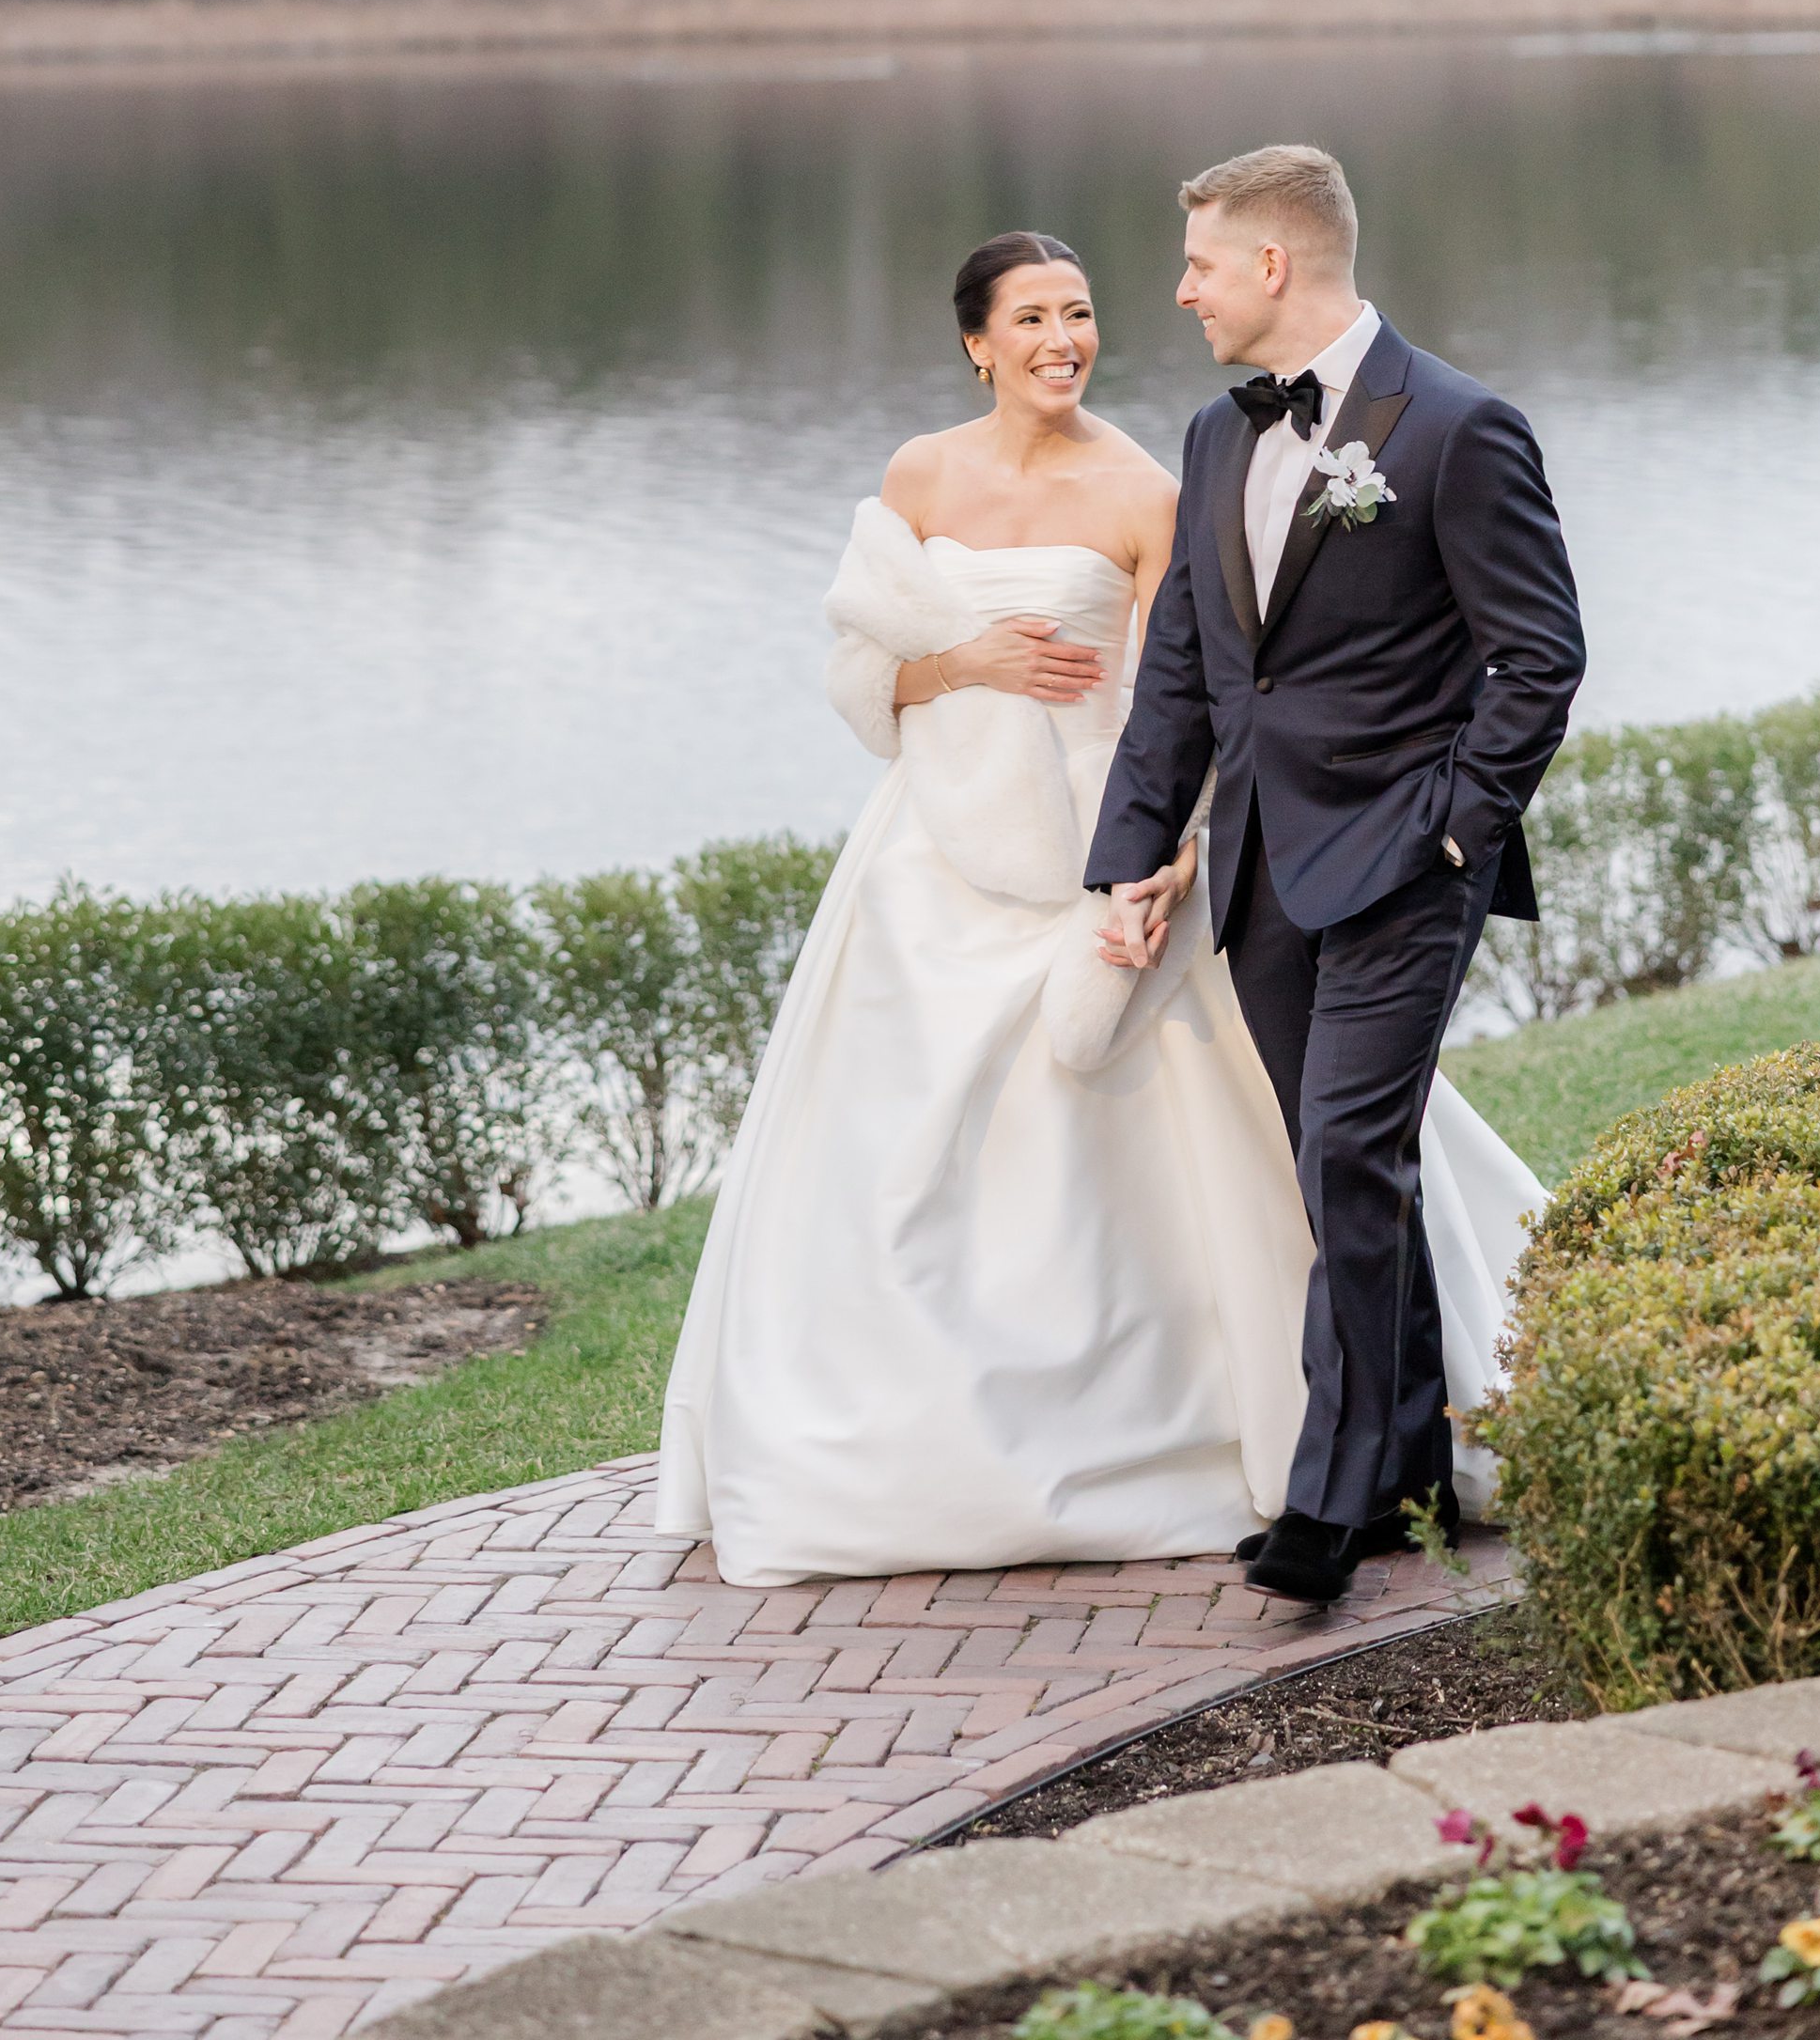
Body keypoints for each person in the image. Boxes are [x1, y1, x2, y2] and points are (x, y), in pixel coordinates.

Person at [656, 223, 1540, 1590]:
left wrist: (1166, 862)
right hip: (932, 862)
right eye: (1032, 319)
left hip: (1130, 847)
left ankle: (1313, 1464)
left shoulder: (1149, 478)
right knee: (893, 1167)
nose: (1065, 339)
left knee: (1307, 1148)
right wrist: (958, 663)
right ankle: (902, 1438)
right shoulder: (922, 473)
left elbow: (1179, 693)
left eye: (1080, 313)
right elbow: (864, 673)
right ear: (976, 341)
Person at [1088, 144, 1586, 1607]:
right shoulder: (1210, 433)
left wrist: (1454, 828)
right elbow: (1184, 658)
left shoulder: (1456, 428)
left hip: (1402, 870)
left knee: (1349, 1156)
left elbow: (1539, 657)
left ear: (1273, 266)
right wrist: (1133, 849)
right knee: (1347, 1175)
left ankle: (1331, 1500)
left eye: (1197, 264)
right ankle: (1412, 1467)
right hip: (1257, 874)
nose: (1177, 292)